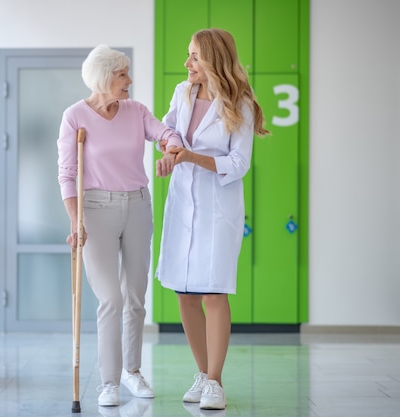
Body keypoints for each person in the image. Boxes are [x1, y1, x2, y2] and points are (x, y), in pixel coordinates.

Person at [57, 44, 182, 407]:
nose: (130, 80)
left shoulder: (136, 111)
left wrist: (170, 148)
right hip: (95, 209)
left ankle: (132, 371)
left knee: (135, 297)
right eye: (122, 74)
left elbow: (165, 133)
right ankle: (108, 382)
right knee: (110, 298)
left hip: (138, 206)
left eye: (128, 73)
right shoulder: (75, 116)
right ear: (104, 78)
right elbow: (67, 174)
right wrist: (76, 219)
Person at [155, 28, 270, 410]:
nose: (186, 64)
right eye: (188, 56)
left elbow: (239, 164)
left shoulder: (242, 103)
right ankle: (203, 375)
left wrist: (189, 157)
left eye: (194, 58)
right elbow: (166, 128)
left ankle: (216, 383)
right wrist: (171, 148)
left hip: (218, 208)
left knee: (213, 292)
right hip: (183, 203)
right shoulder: (183, 93)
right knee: (184, 293)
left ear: (213, 60)